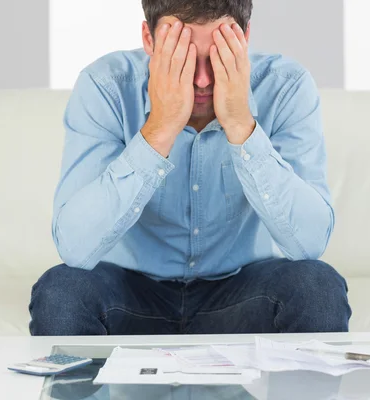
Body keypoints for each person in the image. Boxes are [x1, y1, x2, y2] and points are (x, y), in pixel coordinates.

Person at [29, 0, 351, 336]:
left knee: (317, 286)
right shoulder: (106, 85)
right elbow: (74, 248)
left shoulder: (285, 85)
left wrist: (241, 124)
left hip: (239, 291)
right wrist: (160, 127)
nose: (200, 80)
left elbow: (310, 244)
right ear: (149, 39)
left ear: (245, 37)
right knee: (61, 291)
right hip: (129, 293)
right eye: (181, 57)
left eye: (217, 57)